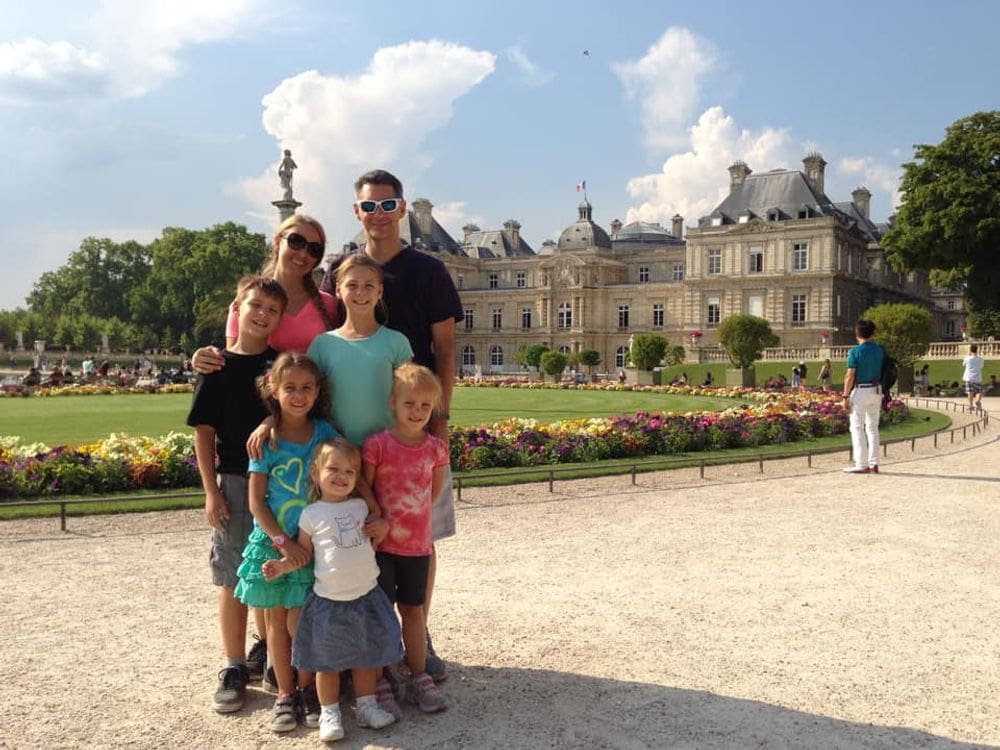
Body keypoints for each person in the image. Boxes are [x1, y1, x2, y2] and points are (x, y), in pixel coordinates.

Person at [321, 169, 462, 682]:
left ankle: (416, 636)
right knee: (349, 541)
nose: (378, 214)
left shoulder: (428, 270)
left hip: (410, 435)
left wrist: (439, 421)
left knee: (416, 540)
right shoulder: (339, 268)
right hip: (349, 438)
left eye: (388, 204)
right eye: (368, 206)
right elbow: (318, 340)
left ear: (402, 209)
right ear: (356, 212)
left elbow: (444, 350)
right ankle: (359, 645)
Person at [186, 276, 285, 713]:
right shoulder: (217, 366)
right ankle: (231, 664)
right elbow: (204, 435)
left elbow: (298, 412)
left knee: (271, 568)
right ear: (238, 308)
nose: (262, 315)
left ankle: (266, 650)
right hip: (233, 479)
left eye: (271, 310)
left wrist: (272, 423)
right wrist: (211, 492)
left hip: (279, 483)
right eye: (255, 306)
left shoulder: (281, 366)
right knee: (231, 576)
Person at [265, 439, 399, 742]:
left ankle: (366, 706)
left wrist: (382, 527)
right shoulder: (311, 514)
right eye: (334, 469)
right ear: (316, 472)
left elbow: (376, 535)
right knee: (328, 664)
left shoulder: (361, 506)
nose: (342, 476)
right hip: (330, 600)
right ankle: (330, 712)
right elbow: (304, 553)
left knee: (366, 656)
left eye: (350, 472)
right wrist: (283, 566)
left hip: (366, 595)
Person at [234, 352, 338, 733]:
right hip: (276, 543)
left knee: (304, 621)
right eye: (290, 388)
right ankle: (285, 694)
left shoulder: (325, 433)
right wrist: (282, 544)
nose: (298, 395)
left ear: (317, 392)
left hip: (311, 544)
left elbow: (347, 469)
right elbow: (256, 502)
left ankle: (309, 690)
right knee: (277, 622)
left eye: (306, 388)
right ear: (274, 391)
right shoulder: (267, 440)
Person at [363, 363, 450, 714]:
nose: (417, 412)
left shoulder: (435, 449)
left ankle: (417, 675)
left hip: (416, 545)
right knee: (382, 612)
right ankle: (383, 675)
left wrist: (410, 524)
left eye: (425, 406)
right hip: (381, 547)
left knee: (413, 612)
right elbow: (366, 490)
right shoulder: (378, 445)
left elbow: (433, 493)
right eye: (409, 404)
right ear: (393, 403)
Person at [190, 214, 338, 371]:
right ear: (277, 241)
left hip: (316, 394)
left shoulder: (330, 305)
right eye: (296, 241)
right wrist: (203, 359)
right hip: (259, 394)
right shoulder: (247, 301)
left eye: (314, 249)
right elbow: (234, 360)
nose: (303, 253)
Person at [308, 254, 413, 446]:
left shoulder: (397, 343)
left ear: (380, 292)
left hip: (385, 451)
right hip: (336, 452)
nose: (360, 292)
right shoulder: (321, 344)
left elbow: (411, 398)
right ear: (338, 290)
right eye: (352, 285)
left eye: (368, 286)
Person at [842, 319, 885, 474]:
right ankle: (874, 463)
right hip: (876, 390)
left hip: (861, 390)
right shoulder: (879, 350)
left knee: (857, 427)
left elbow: (850, 374)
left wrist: (845, 396)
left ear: (857, 333)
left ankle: (861, 463)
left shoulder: (855, 351)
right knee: (873, 428)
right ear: (873, 333)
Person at [963, 343, 985, 412]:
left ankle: (971, 405)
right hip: (977, 377)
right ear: (977, 350)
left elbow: (963, 365)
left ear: (970, 350)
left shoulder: (967, 358)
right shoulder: (981, 359)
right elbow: (981, 366)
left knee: (970, 392)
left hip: (969, 377)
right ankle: (978, 401)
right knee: (979, 391)